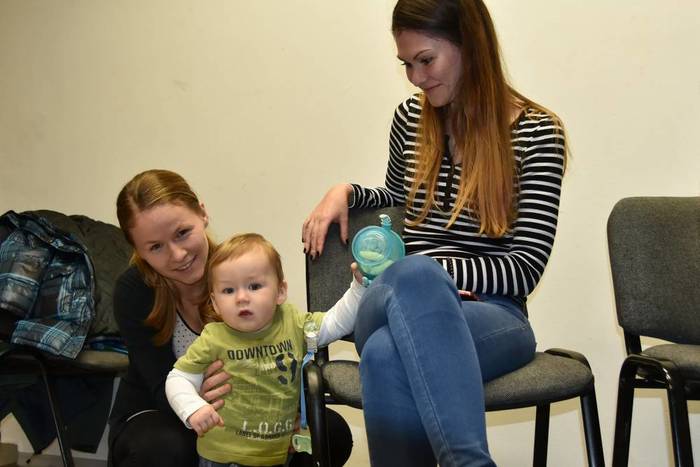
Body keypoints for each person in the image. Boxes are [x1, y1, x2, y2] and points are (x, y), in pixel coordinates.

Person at [301, 0, 567, 465]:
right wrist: (345, 191)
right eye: (406, 64)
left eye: (426, 60)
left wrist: (434, 273)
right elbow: (395, 195)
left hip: (495, 315)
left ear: (471, 44)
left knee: (385, 355)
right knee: (414, 277)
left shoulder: (538, 133)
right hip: (390, 302)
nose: (416, 78)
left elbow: (525, 269)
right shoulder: (409, 119)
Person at [110, 169, 354, 467]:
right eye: (156, 247)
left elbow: (284, 349)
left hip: (248, 411)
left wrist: (286, 413)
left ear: (202, 214)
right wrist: (196, 400)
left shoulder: (238, 271)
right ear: (139, 250)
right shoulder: (133, 291)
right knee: (168, 447)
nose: (177, 254)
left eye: (182, 233)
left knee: (329, 431)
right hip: (161, 412)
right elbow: (161, 384)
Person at [165, 233, 364, 467]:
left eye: (254, 286)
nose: (241, 298)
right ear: (215, 303)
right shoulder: (214, 338)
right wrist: (193, 408)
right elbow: (178, 378)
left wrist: (359, 287)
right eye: (228, 291)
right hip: (222, 456)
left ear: (280, 292)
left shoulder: (293, 323)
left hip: (276, 455)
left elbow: (336, 323)